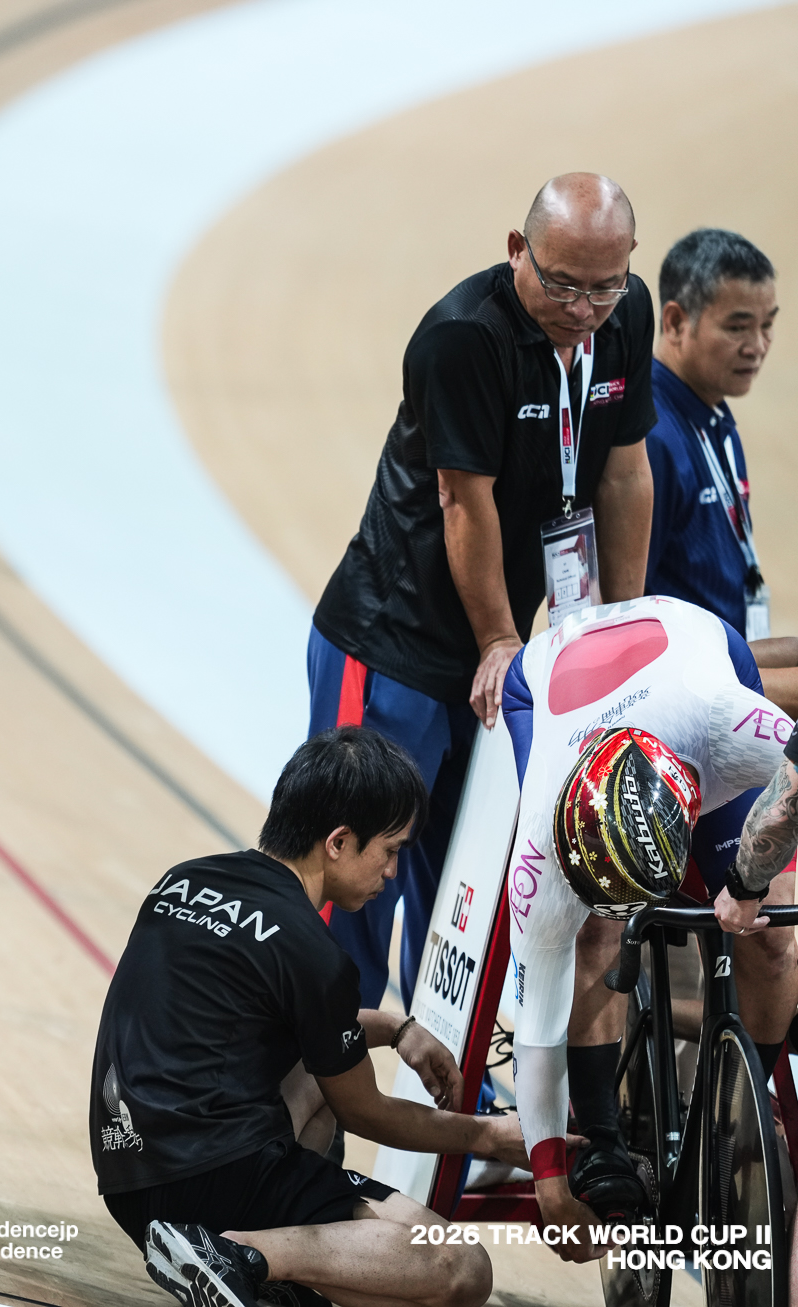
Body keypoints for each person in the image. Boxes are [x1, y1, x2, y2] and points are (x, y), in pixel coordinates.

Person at [309, 173, 656, 1006]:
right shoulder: (463, 337)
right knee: (356, 883)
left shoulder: (627, 316)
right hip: (393, 645)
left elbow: (623, 475)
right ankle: (304, 1101)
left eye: (603, 286)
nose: (584, 308)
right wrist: (502, 638)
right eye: (563, 284)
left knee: (464, 890)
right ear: (516, 252)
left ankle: (439, 1109)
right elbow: (465, 504)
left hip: (496, 655)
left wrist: (621, 629)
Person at [92, 726, 524, 1307]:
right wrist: (490, 1136)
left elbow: (299, 1028)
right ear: (339, 842)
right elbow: (365, 1111)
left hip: (130, 1177)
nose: (392, 873)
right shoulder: (313, 953)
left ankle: (251, 1275)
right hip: (215, 1178)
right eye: (390, 850)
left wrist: (395, 1028)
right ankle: (244, 1257)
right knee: (461, 1267)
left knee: (319, 1078)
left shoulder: (184, 878)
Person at [501, 594, 796, 1260]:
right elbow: (536, 1027)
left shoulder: (726, 723)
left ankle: (739, 1114)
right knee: (588, 935)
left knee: (774, 937)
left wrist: (749, 879)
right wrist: (549, 1178)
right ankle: (600, 1134)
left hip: (691, 653)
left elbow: (793, 785)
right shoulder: (541, 853)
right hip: (544, 680)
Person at [641, 229, 798, 710]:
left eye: (767, 325)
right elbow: (631, 631)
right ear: (675, 321)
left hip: (726, 666)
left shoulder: (713, 416)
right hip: (683, 700)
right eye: (737, 327)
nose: (757, 346)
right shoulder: (651, 436)